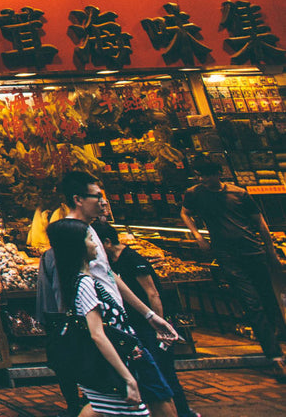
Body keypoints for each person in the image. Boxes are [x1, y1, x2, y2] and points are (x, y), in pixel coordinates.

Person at [39, 172, 181, 417]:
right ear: (78, 199)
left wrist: (149, 315)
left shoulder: (89, 232)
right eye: (97, 196)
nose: (103, 202)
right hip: (112, 332)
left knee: (101, 403)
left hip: (116, 327)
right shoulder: (75, 237)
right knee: (159, 397)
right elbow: (80, 293)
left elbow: (111, 277)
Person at [181, 157, 286, 379]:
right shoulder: (194, 193)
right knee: (251, 302)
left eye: (208, 174)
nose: (204, 179)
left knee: (267, 298)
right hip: (226, 254)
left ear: (219, 173)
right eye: (200, 175)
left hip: (253, 250)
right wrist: (198, 235)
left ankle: (277, 338)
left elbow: (260, 223)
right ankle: (274, 355)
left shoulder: (239, 193)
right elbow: (185, 212)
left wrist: (270, 252)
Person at [49, 218, 150, 416]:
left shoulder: (80, 280)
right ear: (77, 247)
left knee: (96, 409)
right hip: (107, 368)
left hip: (103, 366)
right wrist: (127, 377)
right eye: (90, 239)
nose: (96, 244)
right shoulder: (86, 284)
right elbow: (97, 334)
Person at [95, 223, 196, 417]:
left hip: (151, 327)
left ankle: (183, 412)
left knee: (164, 373)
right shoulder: (110, 262)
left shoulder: (132, 259)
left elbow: (153, 293)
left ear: (107, 242)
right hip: (137, 325)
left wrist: (159, 326)